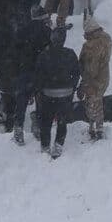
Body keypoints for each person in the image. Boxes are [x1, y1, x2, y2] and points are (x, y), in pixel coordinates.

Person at [35, 27, 81, 158]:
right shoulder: (70, 54)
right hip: (65, 93)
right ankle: (58, 145)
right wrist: (72, 87)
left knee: (46, 121)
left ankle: (45, 146)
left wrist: (39, 90)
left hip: (48, 93)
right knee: (62, 120)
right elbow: (77, 73)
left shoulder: (44, 55)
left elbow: (38, 75)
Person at [13, 6, 52, 145]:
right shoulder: (48, 32)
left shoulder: (22, 31)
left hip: (25, 70)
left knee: (21, 101)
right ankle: (38, 126)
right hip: (41, 72)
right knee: (40, 100)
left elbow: (14, 52)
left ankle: (18, 129)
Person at [78, 17, 112, 140]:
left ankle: (95, 129)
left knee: (92, 102)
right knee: (97, 101)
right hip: (104, 76)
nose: (84, 36)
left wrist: (84, 82)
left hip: (92, 79)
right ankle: (98, 127)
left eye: (86, 33)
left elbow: (91, 67)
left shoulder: (91, 45)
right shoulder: (107, 38)